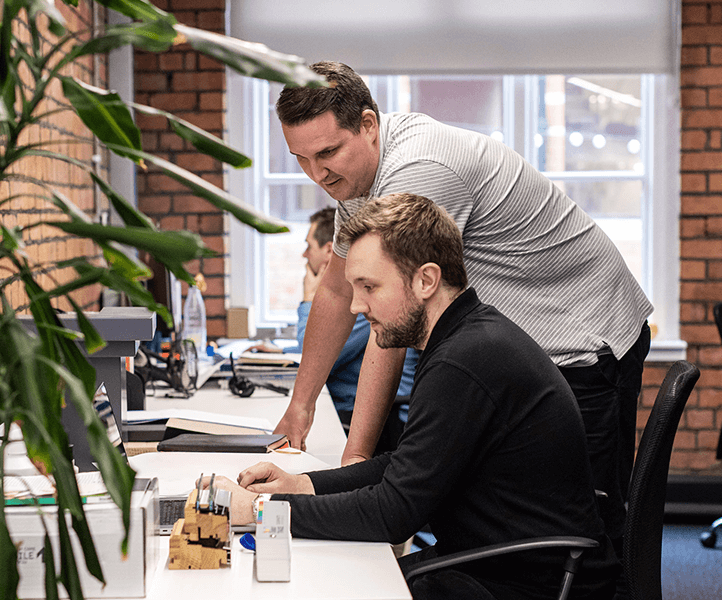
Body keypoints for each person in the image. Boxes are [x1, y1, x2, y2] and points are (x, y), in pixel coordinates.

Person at [271, 61, 652, 568]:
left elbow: (396, 318)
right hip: (515, 341)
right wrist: (302, 404)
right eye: (301, 159)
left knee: (588, 540)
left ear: (368, 125)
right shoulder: (360, 175)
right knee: (492, 511)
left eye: (327, 153)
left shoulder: (420, 171)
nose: (317, 174)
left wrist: (355, 454)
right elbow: (339, 293)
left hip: (582, 331)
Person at [205, 194, 618, 600]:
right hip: (501, 560)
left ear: (426, 280)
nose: (355, 305)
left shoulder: (464, 361)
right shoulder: (464, 337)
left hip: (523, 581)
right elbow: (404, 467)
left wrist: (259, 511)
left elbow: (393, 515)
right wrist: (301, 485)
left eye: (369, 286)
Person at [249, 207, 419, 451]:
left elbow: (316, 356)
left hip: (376, 421)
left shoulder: (361, 300)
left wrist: (309, 298)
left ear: (330, 250)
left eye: (309, 246)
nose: (304, 254)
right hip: (351, 411)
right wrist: (281, 349)